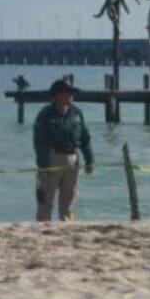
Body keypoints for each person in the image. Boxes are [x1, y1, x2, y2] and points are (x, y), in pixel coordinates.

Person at [33, 79, 94, 222]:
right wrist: (43, 165)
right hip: (52, 157)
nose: (71, 96)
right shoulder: (46, 114)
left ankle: (66, 226)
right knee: (46, 201)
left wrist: (89, 160)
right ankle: (43, 228)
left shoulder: (77, 113)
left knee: (69, 200)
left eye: (71, 93)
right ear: (58, 95)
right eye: (68, 93)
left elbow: (85, 139)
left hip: (73, 159)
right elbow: (39, 142)